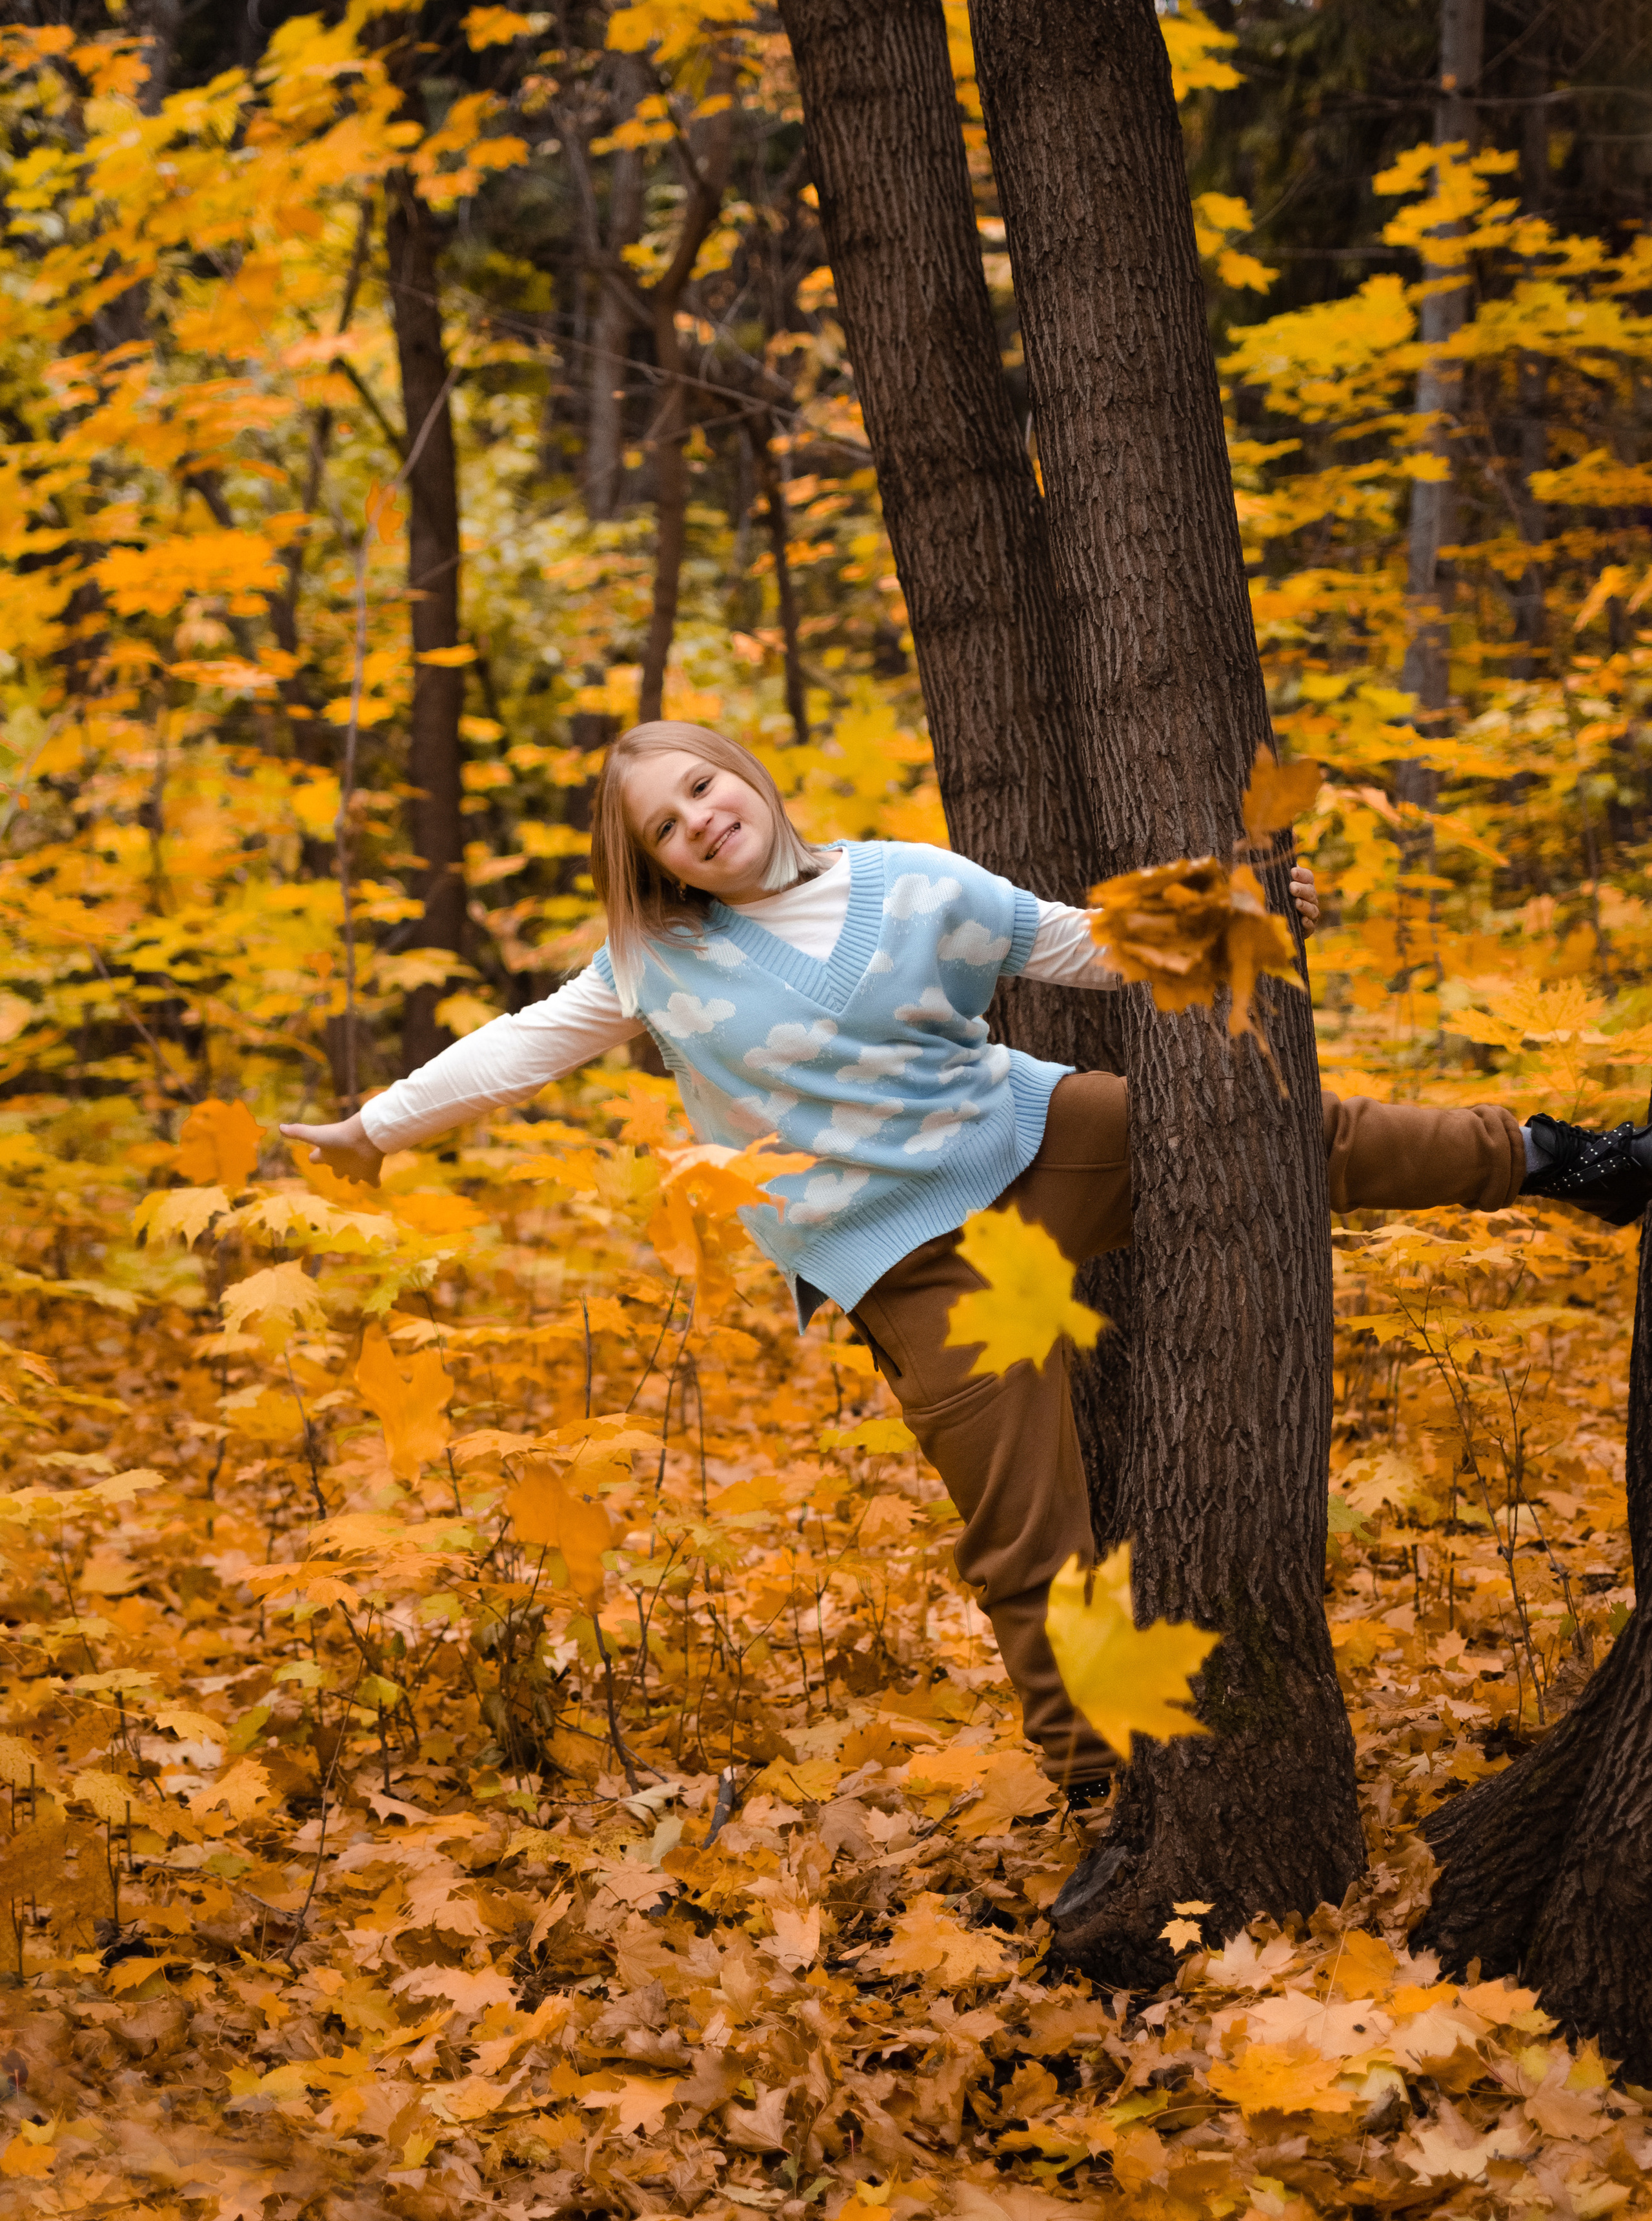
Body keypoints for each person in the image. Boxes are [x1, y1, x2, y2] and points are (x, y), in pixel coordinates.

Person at [282, 721, 1652, 1793]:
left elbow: (1084, 947)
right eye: (668, 825)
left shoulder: (911, 881)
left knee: (1300, 1133)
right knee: (1026, 1521)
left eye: (706, 786)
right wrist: (372, 1128)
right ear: (654, 862)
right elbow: (514, 1046)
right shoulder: (655, 965)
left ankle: (1556, 1159)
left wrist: (1239, 901)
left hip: (1031, 1137)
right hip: (902, 1257)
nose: (702, 819)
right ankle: (1090, 1788)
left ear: (744, 778)